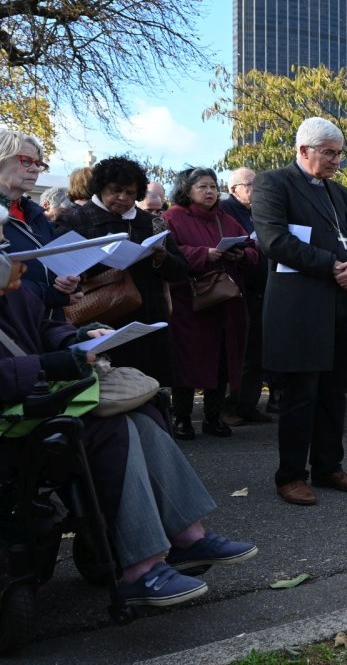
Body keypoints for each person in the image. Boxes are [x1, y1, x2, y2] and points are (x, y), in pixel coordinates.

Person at [0, 257, 256, 608]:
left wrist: (77, 337)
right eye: (1, 244)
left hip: (37, 404)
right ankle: (142, 568)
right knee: (111, 429)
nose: (16, 259)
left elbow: (43, 327)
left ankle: (187, 536)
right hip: (12, 426)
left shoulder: (15, 292)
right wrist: (47, 364)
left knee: (144, 414)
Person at [253, 117, 347, 506]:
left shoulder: (339, 193)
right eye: (329, 153)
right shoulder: (274, 183)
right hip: (301, 307)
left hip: (342, 302)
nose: (336, 160)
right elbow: (274, 240)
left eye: (339, 153)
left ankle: (328, 466)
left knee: (334, 392)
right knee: (300, 394)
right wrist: (331, 265)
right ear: (303, 150)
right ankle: (290, 475)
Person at [57, 156, 188, 386]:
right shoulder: (75, 220)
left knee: (150, 387)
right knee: (109, 390)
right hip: (99, 320)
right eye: (115, 190)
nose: (123, 198)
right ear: (99, 188)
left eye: (130, 193)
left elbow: (180, 270)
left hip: (148, 321)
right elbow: (60, 270)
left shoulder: (152, 223)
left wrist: (162, 257)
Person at [163, 167, 258, 439]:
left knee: (222, 360)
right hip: (190, 303)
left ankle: (213, 418)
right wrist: (204, 254)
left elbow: (253, 249)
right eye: (203, 186)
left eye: (213, 186)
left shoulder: (225, 219)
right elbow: (169, 252)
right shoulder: (173, 218)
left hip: (227, 301)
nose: (210, 191)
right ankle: (182, 419)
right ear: (187, 190)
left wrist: (240, 255)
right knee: (188, 361)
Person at [0, 132, 81, 315]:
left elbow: (56, 267)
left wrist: (70, 282)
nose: (35, 169)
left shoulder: (37, 216)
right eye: (26, 161)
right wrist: (53, 295)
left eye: (39, 164)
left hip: (47, 330)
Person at [218, 166, 274, 423]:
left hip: (264, 290)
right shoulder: (225, 212)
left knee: (258, 352)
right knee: (238, 352)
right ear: (234, 189)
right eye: (251, 185)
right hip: (238, 290)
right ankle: (230, 406)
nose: (256, 189)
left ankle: (248, 404)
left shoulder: (261, 211)